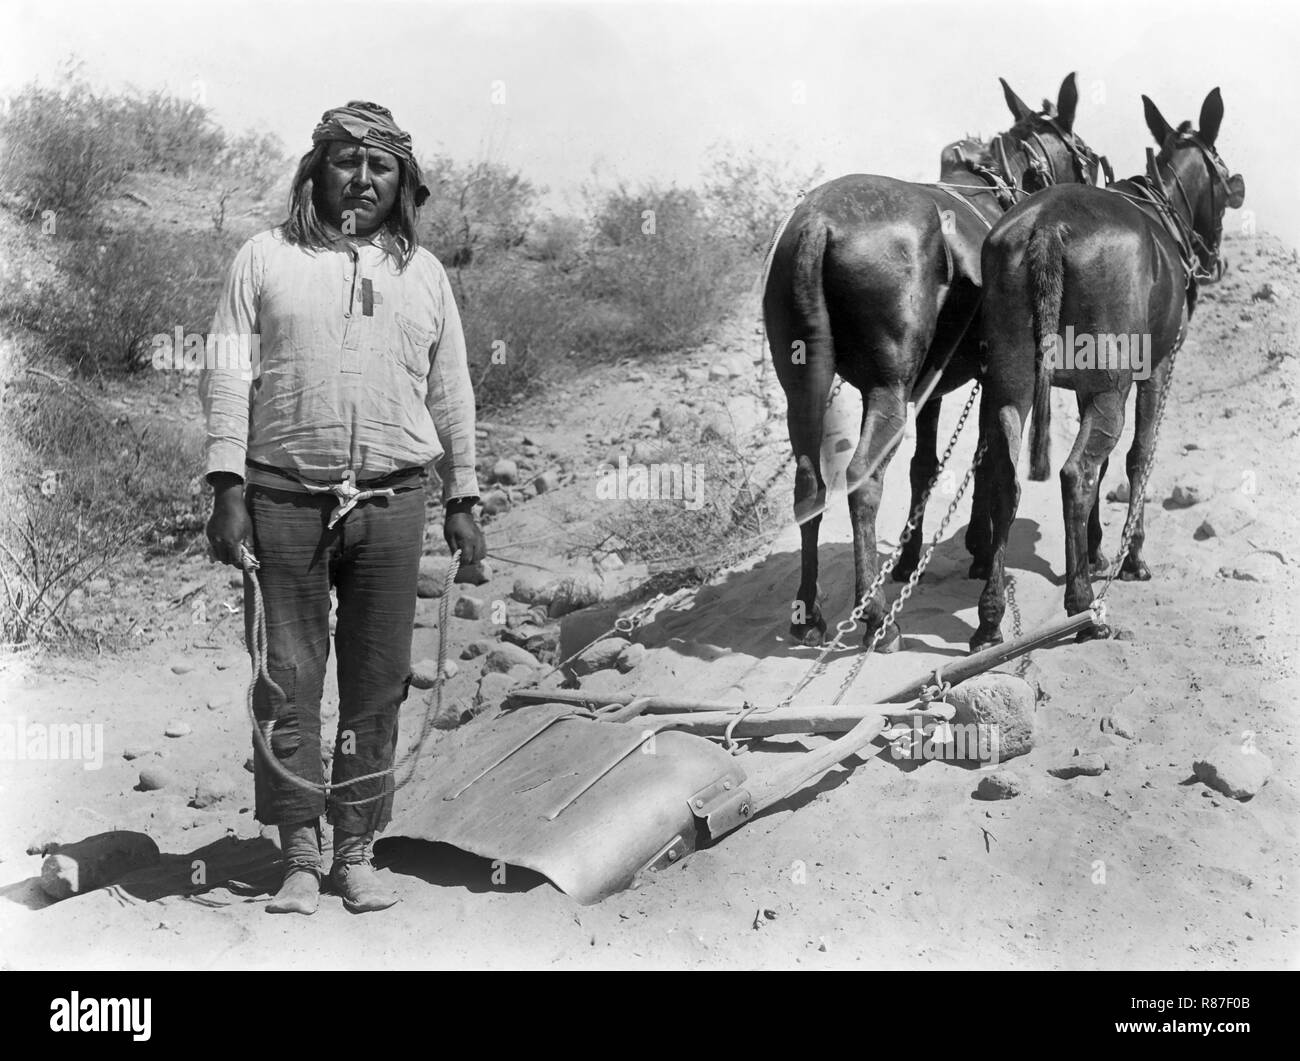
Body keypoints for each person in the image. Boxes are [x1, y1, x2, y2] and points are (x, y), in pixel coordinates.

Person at [201, 101, 485, 915]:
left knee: (375, 681)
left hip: (395, 501)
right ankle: (297, 853)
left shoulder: (423, 276)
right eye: (344, 162)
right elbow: (224, 374)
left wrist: (463, 497)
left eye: (380, 167)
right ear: (315, 171)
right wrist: (226, 486)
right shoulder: (263, 259)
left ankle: (355, 848)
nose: (361, 179)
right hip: (282, 498)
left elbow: (452, 391)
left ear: (403, 185)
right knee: (285, 677)